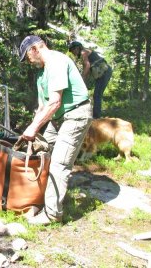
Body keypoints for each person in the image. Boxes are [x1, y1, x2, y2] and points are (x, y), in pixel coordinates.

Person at [16, 35, 93, 225]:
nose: (28, 61)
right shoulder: (42, 73)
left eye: (27, 57)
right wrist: (31, 128)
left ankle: (52, 214)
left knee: (59, 164)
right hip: (58, 117)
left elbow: (55, 101)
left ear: (35, 49)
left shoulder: (57, 61)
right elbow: (43, 107)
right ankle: (36, 200)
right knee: (40, 152)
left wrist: (34, 127)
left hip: (76, 115)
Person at [68, 41, 112, 119]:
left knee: (97, 95)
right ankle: (95, 115)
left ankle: (96, 117)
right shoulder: (85, 53)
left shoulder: (83, 52)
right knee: (96, 94)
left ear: (77, 48)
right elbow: (88, 70)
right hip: (101, 74)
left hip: (104, 73)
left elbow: (87, 66)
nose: (73, 53)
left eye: (73, 50)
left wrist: (81, 80)